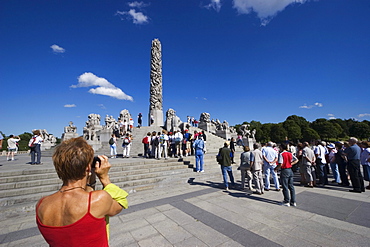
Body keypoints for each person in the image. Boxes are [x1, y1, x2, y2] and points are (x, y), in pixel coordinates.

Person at [36, 137, 128, 246]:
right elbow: (120, 204)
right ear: (88, 168)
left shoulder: (42, 205)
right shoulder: (98, 200)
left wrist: (90, 180)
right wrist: (104, 178)